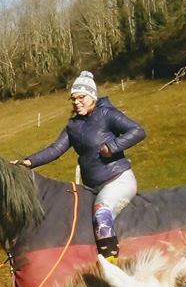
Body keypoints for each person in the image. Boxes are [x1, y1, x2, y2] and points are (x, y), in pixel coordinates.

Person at [16, 71, 145, 261]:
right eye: (73, 99)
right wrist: (27, 162)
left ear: (92, 96)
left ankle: (111, 265)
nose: (76, 102)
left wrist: (113, 147)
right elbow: (55, 149)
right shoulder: (73, 126)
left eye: (81, 97)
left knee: (102, 214)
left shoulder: (107, 114)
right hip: (90, 187)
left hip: (117, 181)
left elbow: (138, 131)